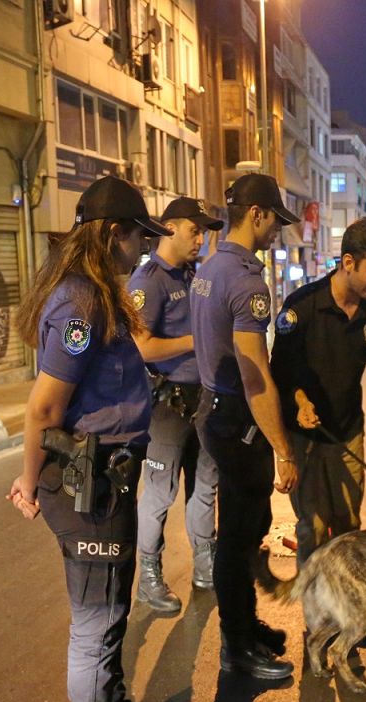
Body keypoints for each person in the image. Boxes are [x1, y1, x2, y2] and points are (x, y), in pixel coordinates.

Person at [7, 174, 179, 702]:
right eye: (138, 236)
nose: (142, 249)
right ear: (113, 234)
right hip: (90, 484)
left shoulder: (96, 295)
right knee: (97, 626)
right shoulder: (81, 305)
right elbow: (45, 409)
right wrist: (28, 481)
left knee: (109, 621)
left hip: (108, 477)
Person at [189, 173, 299, 680]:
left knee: (243, 530)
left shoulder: (210, 267)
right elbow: (255, 376)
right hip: (237, 420)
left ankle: (245, 625)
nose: (278, 229)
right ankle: (236, 646)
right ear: (257, 214)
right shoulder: (247, 281)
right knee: (236, 539)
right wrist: (283, 448)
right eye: (275, 219)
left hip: (214, 410)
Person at [271, 216, 366, 573]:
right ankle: (316, 618)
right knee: (313, 529)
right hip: (304, 436)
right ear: (348, 263)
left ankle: (349, 609)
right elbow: (281, 373)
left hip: (348, 432)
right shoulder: (301, 307)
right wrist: (301, 404)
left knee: (348, 525)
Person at [126, 197, 224, 613]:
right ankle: (148, 576)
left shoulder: (192, 276)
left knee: (205, 488)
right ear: (168, 228)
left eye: (203, 232)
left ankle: (205, 564)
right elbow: (141, 347)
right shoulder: (148, 281)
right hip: (166, 405)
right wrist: (198, 340)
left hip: (202, 399)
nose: (200, 239)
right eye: (193, 230)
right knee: (159, 494)